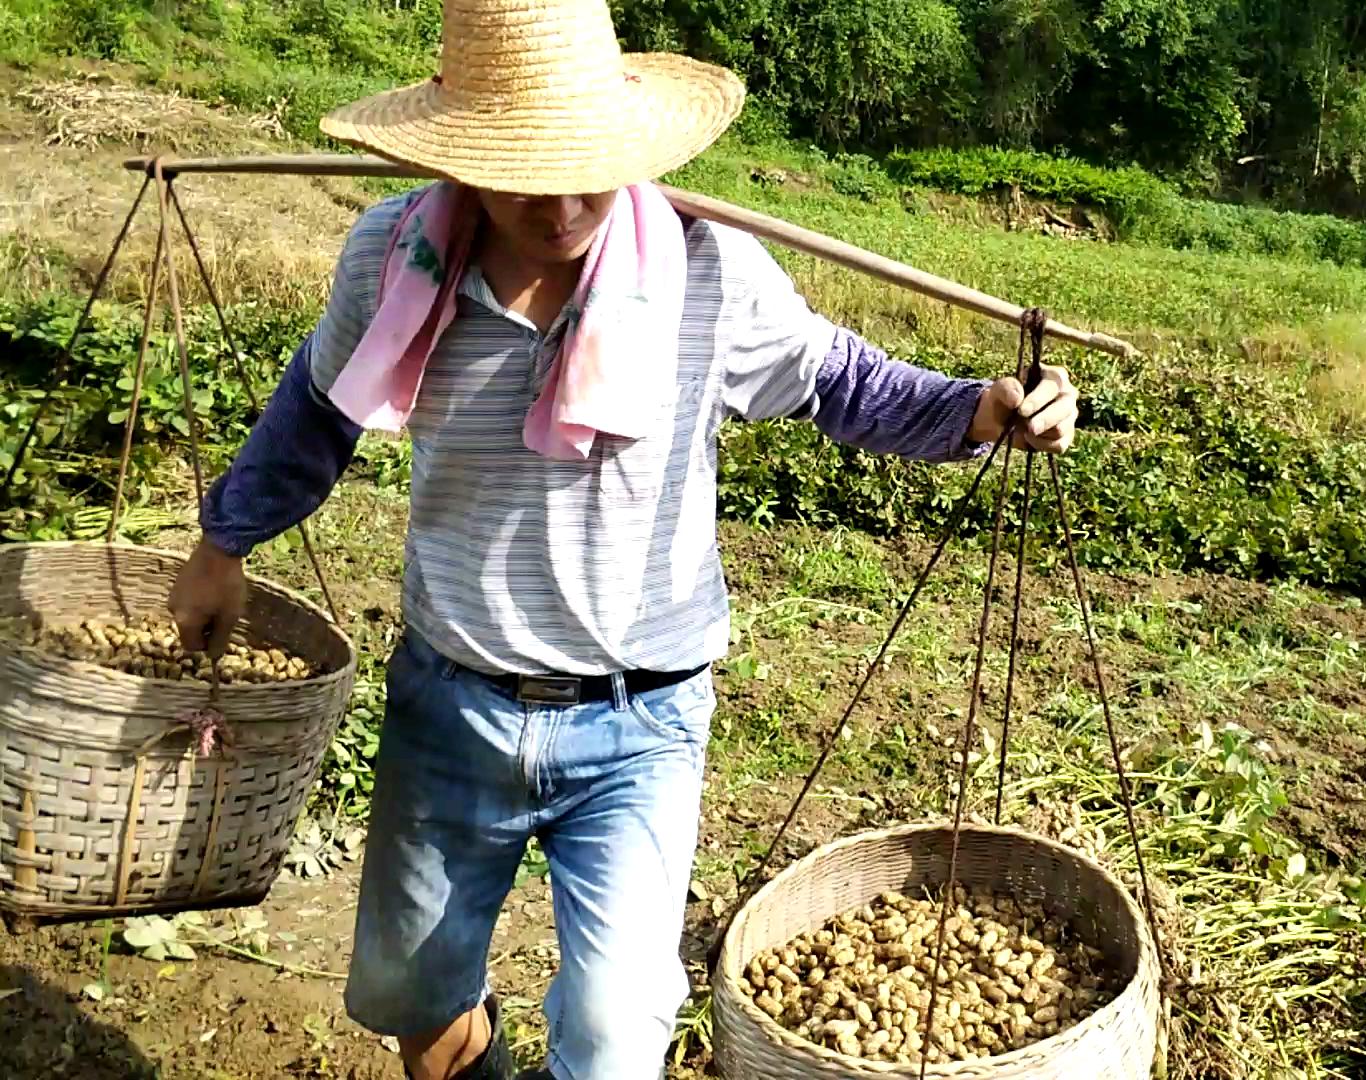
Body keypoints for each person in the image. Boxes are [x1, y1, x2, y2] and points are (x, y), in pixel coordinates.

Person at [163, 1, 1081, 1077]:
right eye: (523, 173)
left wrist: (984, 409)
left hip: (638, 718)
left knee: (612, 1037)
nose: (560, 206)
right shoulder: (395, 259)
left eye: (587, 168)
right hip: (453, 697)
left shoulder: (708, 271)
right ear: (463, 158)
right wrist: (223, 543)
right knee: (411, 991)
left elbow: (842, 382)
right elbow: (316, 412)